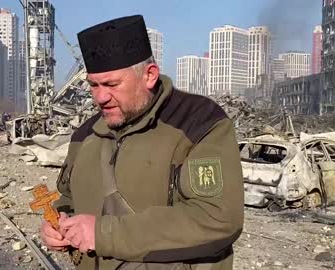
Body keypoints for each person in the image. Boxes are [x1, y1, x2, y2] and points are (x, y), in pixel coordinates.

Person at [40, 15, 244, 270]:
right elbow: (69, 197)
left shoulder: (198, 123)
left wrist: (103, 234)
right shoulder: (85, 134)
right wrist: (59, 222)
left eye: (112, 84)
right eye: (93, 85)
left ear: (149, 75)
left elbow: (217, 218)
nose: (100, 97)